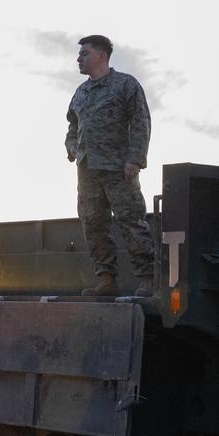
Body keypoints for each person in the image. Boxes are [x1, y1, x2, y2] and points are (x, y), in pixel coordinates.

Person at [65, 35, 155, 296]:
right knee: (93, 224)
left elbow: (141, 121)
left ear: (101, 55)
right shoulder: (81, 92)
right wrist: (71, 146)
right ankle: (106, 279)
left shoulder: (125, 85)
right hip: (87, 170)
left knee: (131, 221)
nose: (79, 58)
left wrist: (135, 159)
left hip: (119, 168)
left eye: (84, 53)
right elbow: (73, 125)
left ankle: (147, 279)